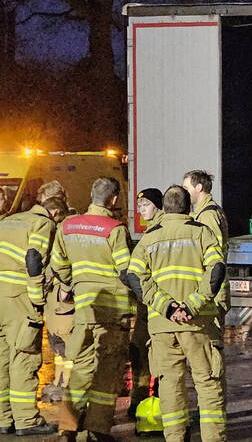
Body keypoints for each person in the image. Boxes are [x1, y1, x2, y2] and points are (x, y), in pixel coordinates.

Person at [126, 185, 226, 442]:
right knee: (207, 384)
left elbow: (134, 276)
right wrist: (192, 305)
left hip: (162, 326)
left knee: (170, 385)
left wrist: (167, 307)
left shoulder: (149, 238)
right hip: (198, 324)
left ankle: (175, 438)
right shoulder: (201, 233)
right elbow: (216, 270)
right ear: (188, 207)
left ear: (164, 208)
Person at [50, 177, 134, 442]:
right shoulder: (115, 229)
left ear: (91, 194)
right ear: (114, 199)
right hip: (113, 313)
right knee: (108, 370)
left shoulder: (67, 226)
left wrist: (74, 284)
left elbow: (58, 265)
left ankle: (67, 426)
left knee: (81, 368)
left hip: (85, 309)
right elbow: (126, 271)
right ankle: (97, 428)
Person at [0, 180, 58, 436]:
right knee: (24, 358)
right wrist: (37, 299)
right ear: (55, 212)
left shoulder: (8, 221)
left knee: (1, 360)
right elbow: (34, 257)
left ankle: (3, 418)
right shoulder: (42, 223)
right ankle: (27, 420)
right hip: (19, 300)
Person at [127, 188, 163, 417]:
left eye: (146, 205)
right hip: (147, 308)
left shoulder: (159, 232)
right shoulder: (150, 232)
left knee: (160, 356)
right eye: (139, 206)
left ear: (158, 206)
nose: (141, 210)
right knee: (139, 352)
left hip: (156, 305)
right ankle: (139, 402)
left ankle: (158, 402)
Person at [181, 171, 230, 322]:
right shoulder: (205, 212)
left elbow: (213, 253)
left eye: (186, 188)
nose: (184, 193)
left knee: (213, 333)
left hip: (213, 290)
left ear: (199, 187)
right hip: (212, 286)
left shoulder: (208, 216)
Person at [40, 197, 74, 390]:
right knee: (60, 346)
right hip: (59, 299)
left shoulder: (61, 232)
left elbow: (57, 265)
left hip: (61, 298)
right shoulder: (65, 230)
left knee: (64, 346)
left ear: (55, 213)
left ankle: (65, 383)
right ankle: (61, 381)